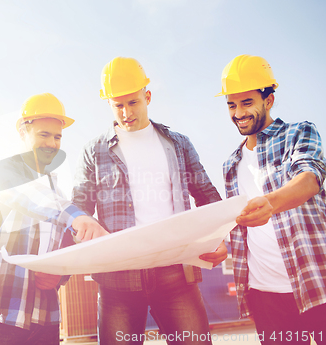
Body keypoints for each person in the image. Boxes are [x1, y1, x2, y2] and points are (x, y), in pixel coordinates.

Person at [72, 57, 227, 345]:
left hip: (176, 275)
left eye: (133, 102)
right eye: (118, 105)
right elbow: (79, 205)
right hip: (118, 279)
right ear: (108, 104)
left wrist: (219, 236)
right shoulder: (94, 151)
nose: (126, 112)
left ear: (148, 96)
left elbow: (207, 194)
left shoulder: (178, 144)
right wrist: (81, 219)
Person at [0, 93, 109, 345]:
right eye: (44, 134)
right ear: (23, 132)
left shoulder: (57, 191)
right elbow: (33, 198)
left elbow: (64, 248)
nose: (52, 143)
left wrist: (59, 275)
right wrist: (79, 218)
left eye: (57, 137)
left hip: (44, 321)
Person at [218, 54, 326, 345]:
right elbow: (238, 227)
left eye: (247, 102)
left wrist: (271, 203)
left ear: (269, 100)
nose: (238, 112)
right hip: (264, 295)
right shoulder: (231, 164)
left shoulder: (299, 132)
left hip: (316, 283)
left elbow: (310, 177)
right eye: (231, 104)